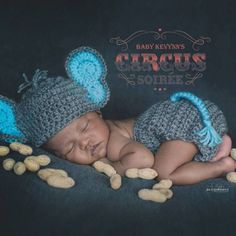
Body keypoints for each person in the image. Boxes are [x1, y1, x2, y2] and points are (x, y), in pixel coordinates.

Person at [0, 47, 234, 185]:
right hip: (196, 116)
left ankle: (221, 166)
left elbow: (142, 159)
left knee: (165, 172)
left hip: (185, 123)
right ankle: (216, 146)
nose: (85, 143)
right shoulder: (107, 128)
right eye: (70, 149)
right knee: (172, 154)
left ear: (97, 111)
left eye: (84, 128)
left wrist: (113, 166)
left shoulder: (112, 141)